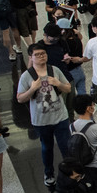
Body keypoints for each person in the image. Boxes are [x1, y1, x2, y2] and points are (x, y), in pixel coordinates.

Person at [16, 42, 72, 184]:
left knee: (66, 146)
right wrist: (32, 89)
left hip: (61, 118)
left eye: (43, 54)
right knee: (46, 148)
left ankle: (70, 171)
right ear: (31, 57)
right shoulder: (27, 76)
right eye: (37, 55)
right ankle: (48, 173)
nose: (41, 57)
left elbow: (68, 88)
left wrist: (58, 84)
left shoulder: (55, 70)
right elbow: (20, 98)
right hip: (41, 120)